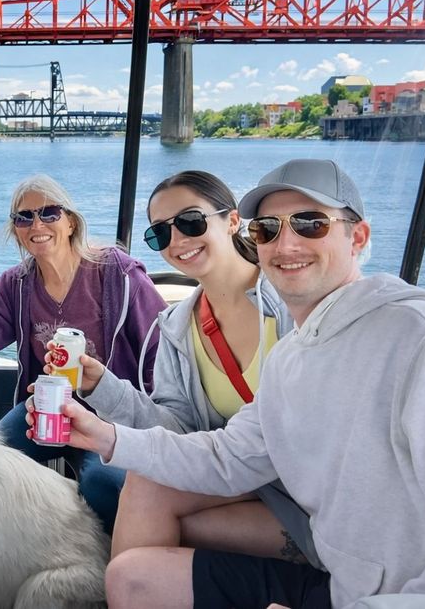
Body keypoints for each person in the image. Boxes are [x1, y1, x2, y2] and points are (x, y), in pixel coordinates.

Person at [42, 159, 425, 608]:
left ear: (357, 237)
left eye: (309, 224)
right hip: (332, 553)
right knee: (134, 553)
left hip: (375, 571)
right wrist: (102, 421)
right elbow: (223, 450)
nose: (287, 244)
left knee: (135, 493)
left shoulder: (420, 338)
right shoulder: (274, 353)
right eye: (269, 229)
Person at [55, 170, 316, 569]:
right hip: (243, 485)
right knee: (145, 491)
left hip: (309, 494)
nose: (177, 241)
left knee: (148, 504)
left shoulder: (291, 302)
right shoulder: (176, 326)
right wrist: (101, 386)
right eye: (160, 233)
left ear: (232, 221)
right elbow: (177, 429)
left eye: (191, 222)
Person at [0, 173, 166, 532]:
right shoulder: (17, 284)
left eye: (49, 213)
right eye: (23, 217)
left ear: (71, 221)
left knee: (105, 484)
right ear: (16, 232)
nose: (36, 224)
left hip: (111, 416)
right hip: (42, 410)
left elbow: (160, 349)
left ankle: (109, 567)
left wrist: (151, 423)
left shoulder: (118, 275)